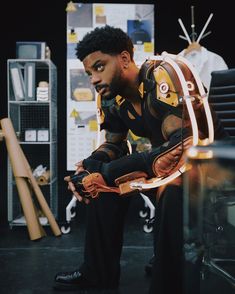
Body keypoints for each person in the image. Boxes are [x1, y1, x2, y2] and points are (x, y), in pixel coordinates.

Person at [54, 25, 229, 293]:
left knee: (172, 190)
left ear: (124, 59)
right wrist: (87, 169)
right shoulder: (110, 98)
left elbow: (183, 144)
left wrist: (110, 170)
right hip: (169, 161)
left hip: (212, 160)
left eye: (100, 67)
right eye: (90, 73)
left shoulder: (165, 74)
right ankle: (97, 273)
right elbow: (114, 144)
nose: (93, 79)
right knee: (99, 186)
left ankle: (167, 281)